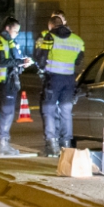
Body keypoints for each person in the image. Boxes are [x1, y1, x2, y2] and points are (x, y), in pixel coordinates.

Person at [33, 15, 85, 157]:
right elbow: (79, 60)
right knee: (66, 111)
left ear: (51, 25)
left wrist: (43, 69)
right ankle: (66, 144)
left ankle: (52, 145)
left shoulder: (49, 38)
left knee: (49, 110)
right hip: (69, 80)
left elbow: (41, 59)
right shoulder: (77, 40)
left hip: (53, 79)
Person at [0, 17, 33, 156]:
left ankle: (4, 142)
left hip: (11, 80)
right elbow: (1, 61)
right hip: (4, 80)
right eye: (15, 31)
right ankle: (2, 144)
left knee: (8, 112)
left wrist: (23, 63)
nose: (17, 34)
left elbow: (14, 59)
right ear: (7, 28)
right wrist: (20, 62)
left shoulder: (10, 42)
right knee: (6, 112)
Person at [35, 9, 69, 143]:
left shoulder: (70, 36)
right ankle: (55, 140)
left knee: (59, 111)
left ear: (64, 21)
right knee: (52, 110)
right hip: (51, 77)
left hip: (60, 77)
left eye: (58, 19)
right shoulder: (44, 35)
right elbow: (38, 54)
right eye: (53, 19)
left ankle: (57, 142)